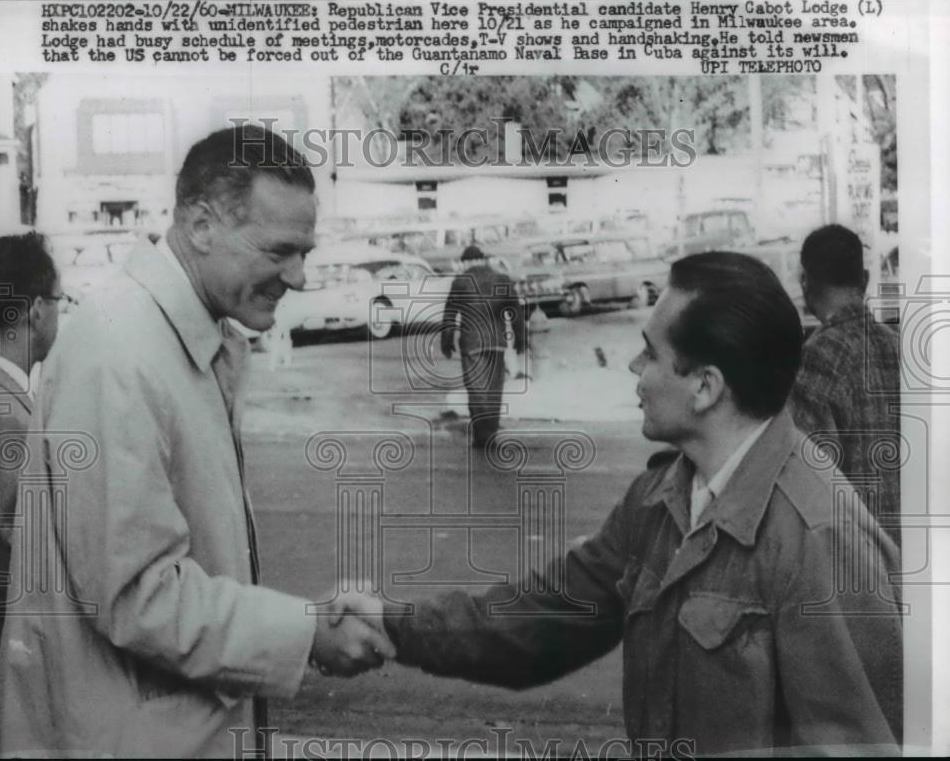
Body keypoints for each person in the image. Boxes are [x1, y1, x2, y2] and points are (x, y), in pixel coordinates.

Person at [363, 252, 902, 755]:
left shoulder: (817, 536)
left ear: (705, 387)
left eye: (650, 352)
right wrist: (390, 625)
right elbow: (542, 618)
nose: (632, 365)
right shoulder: (658, 500)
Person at [0, 125, 394, 758]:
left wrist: (302, 623)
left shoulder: (173, 336)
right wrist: (305, 633)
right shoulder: (121, 351)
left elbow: (186, 569)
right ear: (202, 225)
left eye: (304, 253)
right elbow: (137, 596)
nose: (299, 277)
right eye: (280, 251)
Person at [0, 232, 66, 682]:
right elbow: (11, 558)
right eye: (59, 301)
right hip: (0, 659)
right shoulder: (7, 415)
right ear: (36, 309)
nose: (59, 314)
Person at [789, 224, 901, 546]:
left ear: (805, 281)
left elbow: (810, 471)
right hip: (906, 543)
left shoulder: (819, 354)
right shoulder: (897, 345)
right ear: (864, 279)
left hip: (856, 550)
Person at [441, 245, 526, 448]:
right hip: (496, 343)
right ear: (483, 259)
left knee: (477, 390)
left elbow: (450, 312)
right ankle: (490, 435)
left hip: (472, 344)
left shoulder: (461, 282)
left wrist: (447, 339)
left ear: (466, 262)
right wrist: (520, 338)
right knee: (494, 390)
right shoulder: (501, 279)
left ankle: (482, 435)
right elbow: (514, 309)